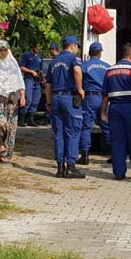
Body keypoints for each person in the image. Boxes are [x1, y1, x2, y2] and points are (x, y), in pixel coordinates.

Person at [101, 44, 131, 180]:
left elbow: (105, 94)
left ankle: (119, 172)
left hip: (114, 109)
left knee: (117, 141)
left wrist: (103, 111)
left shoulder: (109, 71)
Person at [44, 36, 86, 179]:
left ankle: (60, 167)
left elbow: (47, 85)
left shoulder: (53, 61)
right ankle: (71, 167)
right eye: (77, 47)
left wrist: (49, 103)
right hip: (69, 98)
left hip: (55, 98)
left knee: (59, 133)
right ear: (73, 46)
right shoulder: (74, 59)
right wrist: (80, 88)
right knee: (73, 131)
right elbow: (77, 71)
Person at [76, 42, 110, 165]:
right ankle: (115, 153)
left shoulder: (84, 66)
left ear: (90, 53)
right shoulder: (107, 66)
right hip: (103, 98)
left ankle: (84, 155)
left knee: (86, 127)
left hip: (90, 98)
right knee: (106, 125)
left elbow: (78, 79)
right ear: (100, 53)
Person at [18, 44, 43, 127]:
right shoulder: (27, 56)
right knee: (28, 99)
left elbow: (41, 70)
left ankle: (31, 119)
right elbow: (21, 67)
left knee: (36, 99)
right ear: (34, 47)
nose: (38, 49)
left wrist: (42, 78)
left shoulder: (40, 57)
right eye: (37, 47)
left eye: (40, 47)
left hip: (37, 80)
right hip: (29, 79)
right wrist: (31, 71)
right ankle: (22, 118)